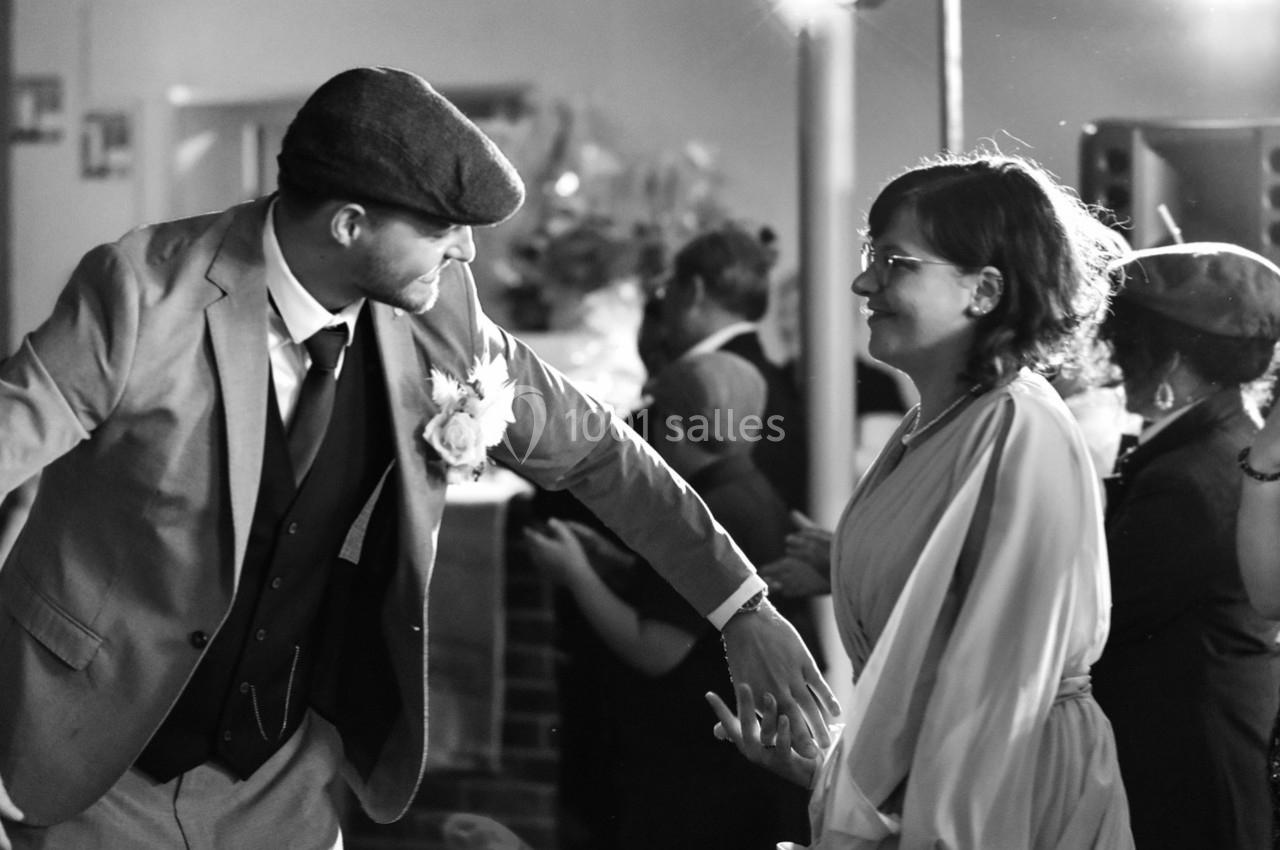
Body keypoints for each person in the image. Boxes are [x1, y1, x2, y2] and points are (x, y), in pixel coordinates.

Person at [0, 66, 837, 850]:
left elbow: (598, 457)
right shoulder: (142, 294)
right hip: (97, 759)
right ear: (348, 224)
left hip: (282, 777)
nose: (466, 251)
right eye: (441, 228)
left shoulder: (439, 314)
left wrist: (743, 608)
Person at [708, 152, 1134, 848]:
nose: (862, 282)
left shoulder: (1018, 427)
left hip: (1007, 798)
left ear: (984, 290)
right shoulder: (934, 423)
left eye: (896, 262)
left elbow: (995, 694)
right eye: (870, 255)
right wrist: (834, 773)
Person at [525, 351, 810, 850]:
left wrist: (576, 574)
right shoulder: (747, 488)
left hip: (703, 767)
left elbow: (655, 647)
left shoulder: (709, 513)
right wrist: (611, 564)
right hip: (738, 762)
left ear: (675, 429)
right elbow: (692, 602)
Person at [1090, 243, 1280, 849]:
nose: (1113, 363)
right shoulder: (1226, 442)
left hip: (1190, 783)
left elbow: (1092, 621)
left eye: (1125, 346)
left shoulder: (1190, 478)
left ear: (1170, 361)